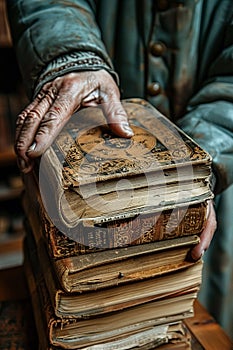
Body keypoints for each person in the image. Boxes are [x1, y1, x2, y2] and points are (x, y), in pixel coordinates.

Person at [7, 0, 233, 339]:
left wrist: (195, 171)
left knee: (181, 318)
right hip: (75, 156)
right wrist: (70, 59)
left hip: (214, 196)